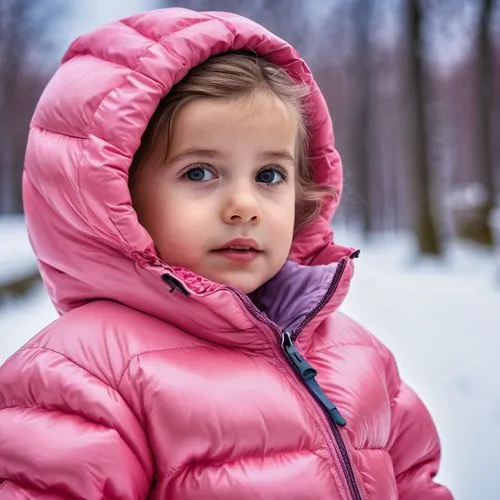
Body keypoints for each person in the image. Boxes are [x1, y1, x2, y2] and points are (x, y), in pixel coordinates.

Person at [0, 7, 453, 500]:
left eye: (269, 176)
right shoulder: (82, 377)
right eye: (199, 172)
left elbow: (413, 484)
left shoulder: (356, 353)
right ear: (118, 196)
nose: (244, 207)